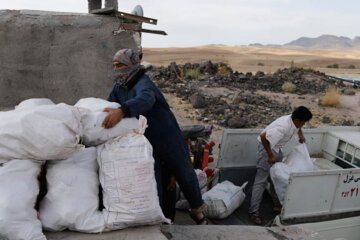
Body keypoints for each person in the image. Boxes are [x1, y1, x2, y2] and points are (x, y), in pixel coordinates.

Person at [102, 48, 207, 225]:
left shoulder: (143, 83)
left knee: (184, 173)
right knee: (155, 182)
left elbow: (146, 99)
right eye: (114, 66)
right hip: (147, 142)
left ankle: (198, 213)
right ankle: (161, 221)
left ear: (131, 65)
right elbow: (108, 103)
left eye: (120, 65)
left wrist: (122, 111)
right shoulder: (119, 88)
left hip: (168, 138)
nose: (116, 69)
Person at [248, 106, 312, 225]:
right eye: (303, 123)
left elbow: (297, 129)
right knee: (261, 180)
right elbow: (263, 137)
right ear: (297, 120)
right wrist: (270, 155)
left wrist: (301, 135)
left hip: (277, 148)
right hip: (267, 149)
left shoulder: (294, 122)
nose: (303, 125)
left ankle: (277, 204)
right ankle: (253, 211)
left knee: (276, 176)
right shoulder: (283, 126)